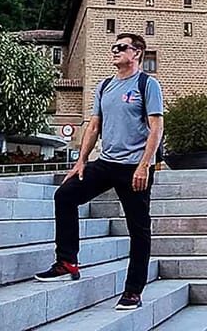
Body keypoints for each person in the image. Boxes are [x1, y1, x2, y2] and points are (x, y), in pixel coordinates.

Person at [35, 33, 164, 312]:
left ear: (137, 53)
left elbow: (156, 128)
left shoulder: (147, 84)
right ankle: (67, 261)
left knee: (138, 229)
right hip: (106, 163)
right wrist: (81, 161)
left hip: (134, 168)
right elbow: (93, 126)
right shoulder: (104, 86)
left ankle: (133, 291)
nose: (115, 51)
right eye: (114, 47)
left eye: (122, 48)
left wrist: (145, 165)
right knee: (65, 196)